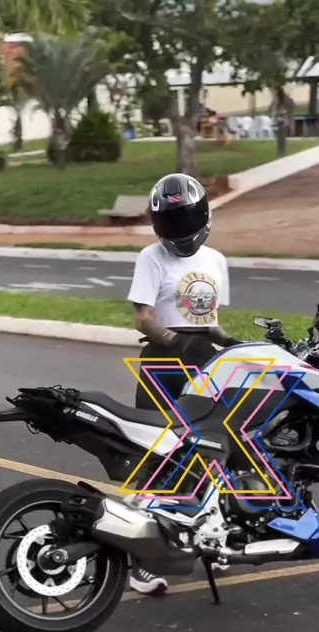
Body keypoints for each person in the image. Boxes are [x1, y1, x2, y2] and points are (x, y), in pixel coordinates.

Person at [127, 172, 237, 596]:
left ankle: (214, 542)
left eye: (185, 219)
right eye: (170, 222)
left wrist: (229, 343)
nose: (180, 231)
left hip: (205, 363)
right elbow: (143, 319)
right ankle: (140, 562)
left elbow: (209, 321)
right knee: (156, 456)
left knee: (212, 453)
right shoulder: (151, 258)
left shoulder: (216, 261)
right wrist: (175, 342)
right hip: (164, 364)